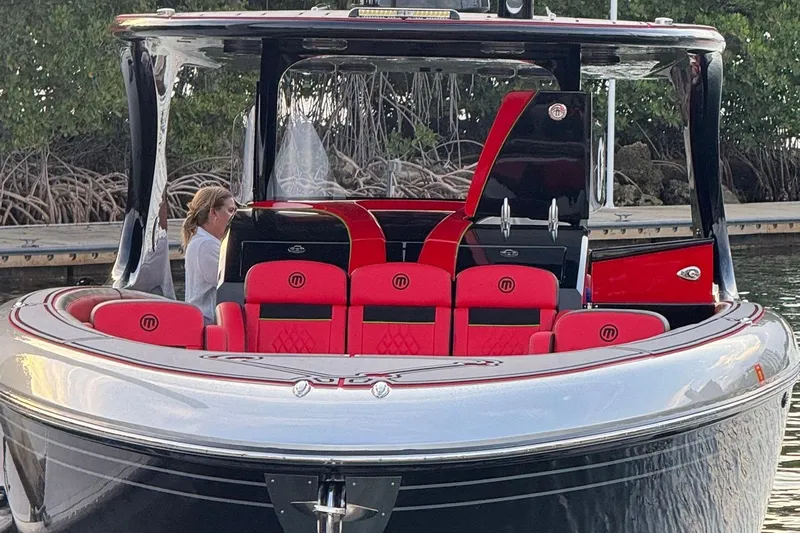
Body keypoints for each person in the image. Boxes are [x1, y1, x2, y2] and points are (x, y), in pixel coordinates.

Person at [181, 186, 236, 324]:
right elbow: (229, 284)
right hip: (208, 324)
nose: (234, 217)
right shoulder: (207, 246)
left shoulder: (201, 241)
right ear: (213, 213)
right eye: (230, 211)